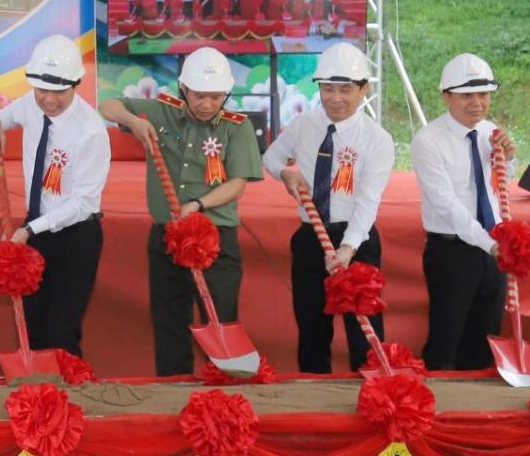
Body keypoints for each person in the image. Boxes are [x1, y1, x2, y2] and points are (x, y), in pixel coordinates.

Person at [99, 47, 263, 376]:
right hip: (168, 236)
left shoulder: (237, 127)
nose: (207, 105)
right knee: (169, 318)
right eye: (199, 96)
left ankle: (224, 387)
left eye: (216, 97)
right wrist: (133, 122)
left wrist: (199, 205)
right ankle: (174, 388)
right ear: (183, 90)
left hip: (216, 237)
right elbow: (107, 105)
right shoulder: (162, 112)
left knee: (220, 317)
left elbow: (238, 184)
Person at [262, 43, 393, 373]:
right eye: (328, 89)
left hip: (357, 244)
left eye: (346, 89)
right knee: (311, 328)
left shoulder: (376, 139)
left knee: (363, 332)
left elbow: (367, 201)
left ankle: (371, 395)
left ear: (364, 89)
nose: (336, 98)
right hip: (310, 239)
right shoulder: (305, 124)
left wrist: (347, 248)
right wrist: (286, 173)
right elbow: (272, 157)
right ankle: (312, 400)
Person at [0, 36, 109, 357]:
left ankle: (67, 400)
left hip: (75, 236)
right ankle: (35, 397)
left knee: (61, 331)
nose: (48, 99)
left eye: (58, 92)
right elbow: (12, 112)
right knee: (33, 324)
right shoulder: (32, 101)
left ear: (76, 84)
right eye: (42, 91)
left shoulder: (90, 131)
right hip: (35, 229)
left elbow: (82, 203)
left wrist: (28, 231)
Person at [412, 53, 516, 371]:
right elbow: (446, 203)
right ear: (446, 96)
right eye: (466, 95)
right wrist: (490, 243)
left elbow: (499, 185)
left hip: (492, 250)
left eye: (483, 94)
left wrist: (508, 158)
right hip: (452, 250)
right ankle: (438, 408)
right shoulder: (428, 140)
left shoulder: (490, 132)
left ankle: (479, 411)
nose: (476, 102)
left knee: (485, 338)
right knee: (447, 337)